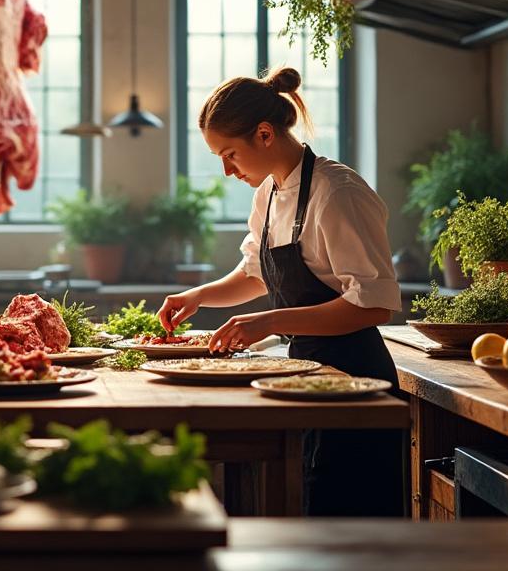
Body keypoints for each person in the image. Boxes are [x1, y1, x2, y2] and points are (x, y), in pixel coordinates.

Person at [156, 67, 403, 516]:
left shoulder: (337, 192)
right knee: (312, 512)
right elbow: (257, 275)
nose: (227, 170)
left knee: (354, 526)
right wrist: (199, 296)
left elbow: (372, 306)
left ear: (265, 134)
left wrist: (269, 321)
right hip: (307, 376)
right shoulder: (269, 191)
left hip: (355, 382)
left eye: (229, 154)